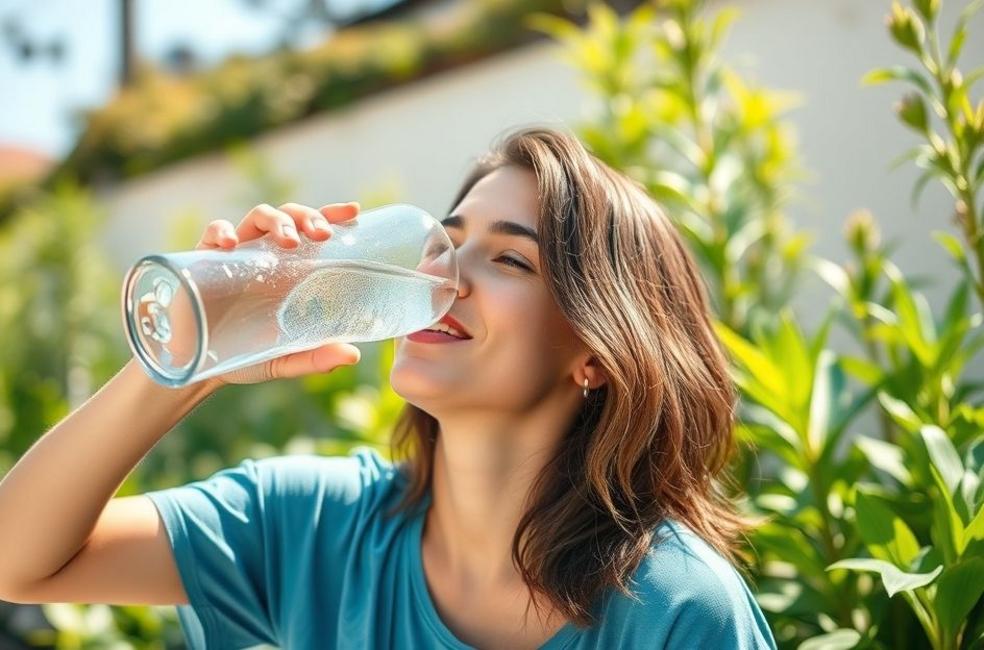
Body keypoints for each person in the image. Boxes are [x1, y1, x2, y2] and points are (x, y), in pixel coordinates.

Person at [0, 125, 777, 649]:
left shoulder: (677, 610)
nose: (442, 278)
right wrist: (186, 360)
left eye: (509, 260)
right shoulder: (314, 526)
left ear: (596, 354)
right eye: (447, 243)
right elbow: (19, 559)